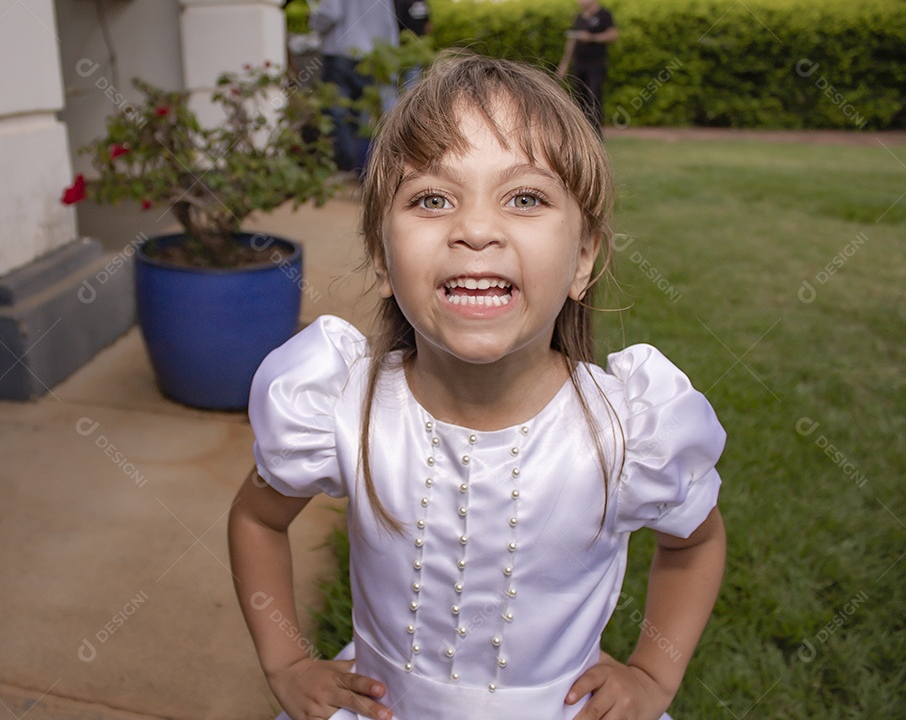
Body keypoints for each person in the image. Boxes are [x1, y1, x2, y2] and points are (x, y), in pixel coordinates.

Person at [229, 52, 726, 720]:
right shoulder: (341, 412)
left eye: (525, 198)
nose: (476, 230)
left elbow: (694, 543)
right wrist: (286, 662)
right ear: (382, 258)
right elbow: (258, 517)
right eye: (432, 198)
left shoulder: (630, 433)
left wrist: (652, 676)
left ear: (583, 259)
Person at [309, 0, 398, 173]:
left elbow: (330, 13)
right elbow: (389, 25)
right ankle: (363, 168)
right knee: (363, 117)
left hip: (341, 54)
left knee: (337, 113)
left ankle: (349, 166)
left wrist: (313, 22)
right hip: (372, 56)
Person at [557, 0, 619, 135]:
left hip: (595, 65)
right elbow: (571, 42)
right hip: (579, 65)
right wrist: (564, 64)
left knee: (594, 98)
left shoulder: (604, 15)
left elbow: (613, 35)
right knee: (579, 100)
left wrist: (591, 37)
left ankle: (596, 134)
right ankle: (581, 133)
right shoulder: (579, 17)